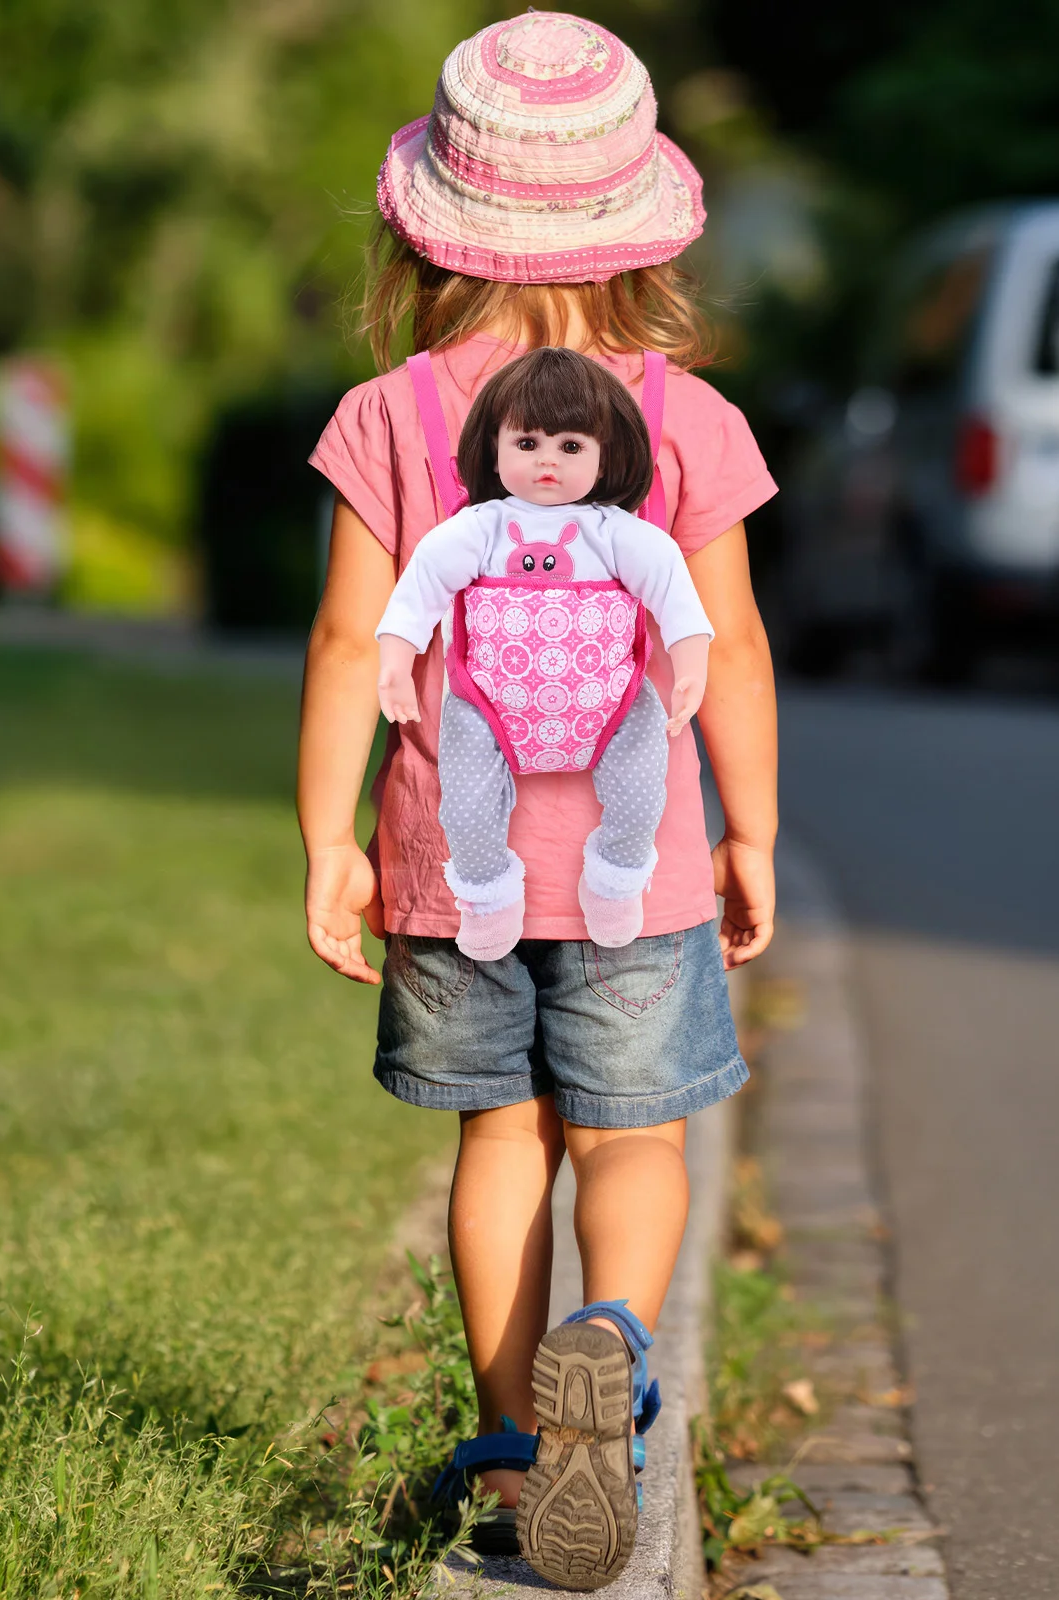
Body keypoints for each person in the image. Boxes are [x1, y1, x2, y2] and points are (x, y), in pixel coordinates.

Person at [298, 11, 777, 1586]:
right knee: (634, 1143)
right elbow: (735, 647)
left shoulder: (396, 415)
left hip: (460, 863)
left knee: (502, 1138)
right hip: (637, 872)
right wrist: (750, 829)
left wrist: (327, 842)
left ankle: (518, 1460)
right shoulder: (686, 419)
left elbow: (349, 639)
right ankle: (615, 1351)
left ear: (432, 229)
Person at [374, 346, 714, 960]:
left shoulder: (617, 533)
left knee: (643, 784)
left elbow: (674, 593)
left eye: (571, 446)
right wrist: (396, 660)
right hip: (488, 705)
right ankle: (485, 894)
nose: (548, 462)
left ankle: (616, 871)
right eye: (527, 443)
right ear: (494, 447)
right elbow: (419, 589)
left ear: (607, 455)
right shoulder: (479, 529)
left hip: (605, 701)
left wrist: (692, 665)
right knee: (468, 806)